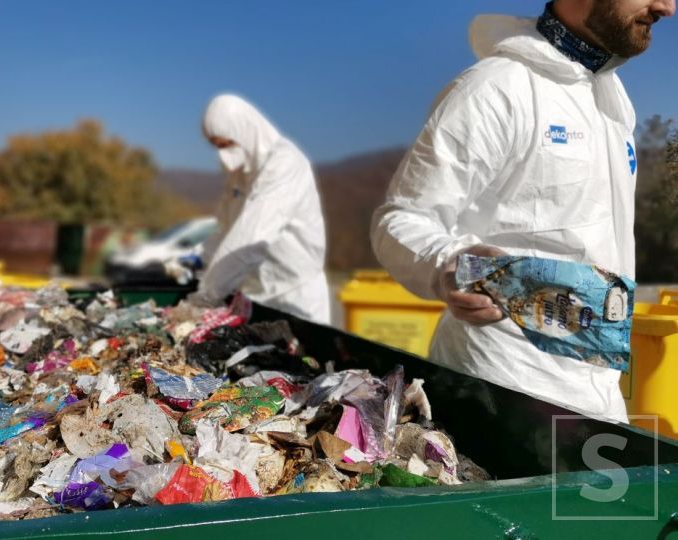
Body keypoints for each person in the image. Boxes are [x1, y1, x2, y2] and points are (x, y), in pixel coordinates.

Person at [370, 0, 674, 422]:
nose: (667, 7)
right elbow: (401, 220)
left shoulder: (611, 98)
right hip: (501, 395)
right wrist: (448, 264)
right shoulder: (495, 89)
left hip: (596, 392)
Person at [185, 94, 331, 324]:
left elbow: (250, 236)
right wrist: (198, 258)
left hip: (293, 295)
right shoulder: (240, 176)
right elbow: (226, 231)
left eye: (227, 144)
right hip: (257, 297)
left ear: (245, 130)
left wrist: (208, 294)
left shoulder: (285, 164)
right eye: (216, 147)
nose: (224, 155)